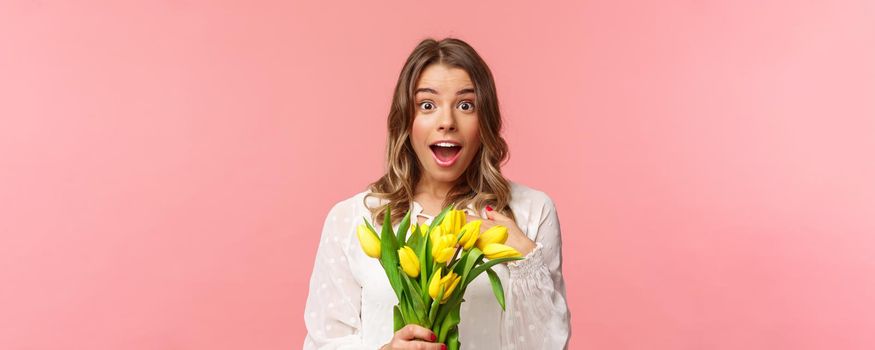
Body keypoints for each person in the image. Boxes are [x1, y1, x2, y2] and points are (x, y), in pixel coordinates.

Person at [303, 37, 570, 349]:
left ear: (484, 121)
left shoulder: (531, 211)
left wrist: (525, 257)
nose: (447, 122)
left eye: (466, 105)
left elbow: (550, 343)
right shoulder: (352, 218)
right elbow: (324, 342)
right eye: (427, 105)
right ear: (406, 121)